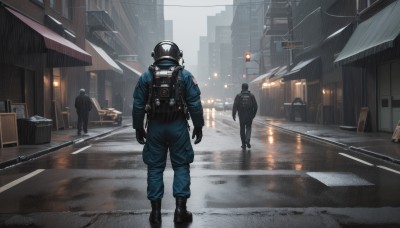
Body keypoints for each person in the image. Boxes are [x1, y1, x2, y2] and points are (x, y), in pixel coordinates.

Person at [132, 40, 204, 226]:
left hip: (155, 126)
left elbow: (138, 105)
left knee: (155, 168)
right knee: (181, 166)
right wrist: (198, 126)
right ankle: (180, 211)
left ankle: (155, 213)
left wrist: (138, 127)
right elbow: (195, 104)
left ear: (155, 56)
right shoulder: (185, 76)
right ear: (177, 56)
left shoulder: (146, 77)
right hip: (178, 125)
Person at [232, 83, 258, 149]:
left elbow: (235, 106)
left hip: (241, 114)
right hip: (249, 114)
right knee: (248, 128)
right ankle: (247, 140)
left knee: (242, 129)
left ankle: (243, 144)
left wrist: (234, 114)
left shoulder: (238, 96)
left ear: (242, 88)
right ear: (247, 88)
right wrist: (253, 114)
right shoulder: (251, 96)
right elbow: (255, 106)